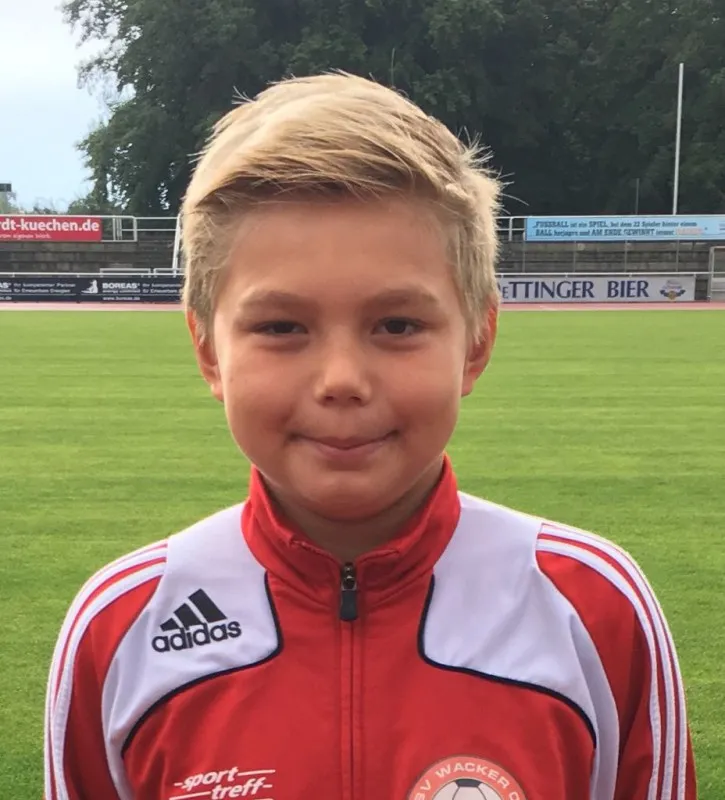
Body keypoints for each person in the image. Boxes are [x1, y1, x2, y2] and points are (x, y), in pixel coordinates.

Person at [44, 73, 697, 800]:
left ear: (477, 341)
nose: (342, 379)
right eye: (281, 327)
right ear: (208, 351)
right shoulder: (122, 627)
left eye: (396, 325)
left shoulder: (593, 609)